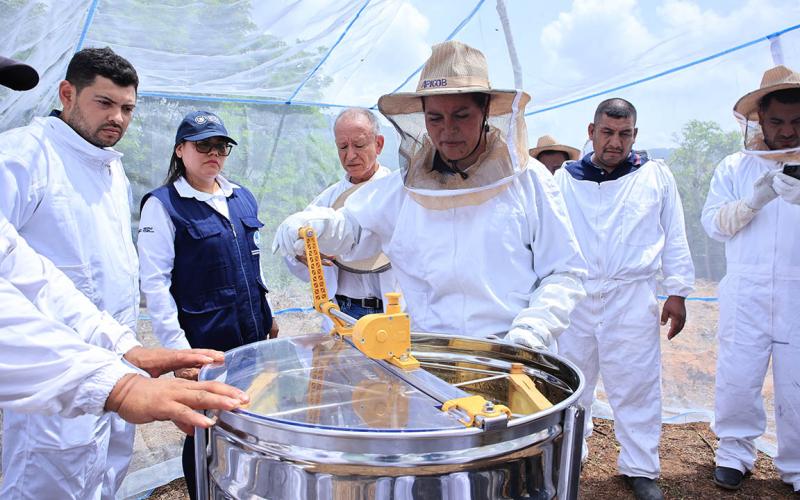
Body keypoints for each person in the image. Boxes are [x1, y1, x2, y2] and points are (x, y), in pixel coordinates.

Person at [273, 41, 587, 351]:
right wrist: (316, 225)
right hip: (427, 358)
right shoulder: (401, 190)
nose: (448, 129)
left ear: (486, 111)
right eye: (435, 118)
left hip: (511, 357)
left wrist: (532, 331)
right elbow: (351, 229)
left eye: (461, 115)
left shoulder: (529, 180)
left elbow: (564, 272)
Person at [0, 47, 143, 500]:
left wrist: (127, 346)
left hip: (116, 355)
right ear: (67, 94)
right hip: (53, 368)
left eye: (127, 108)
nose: (117, 118)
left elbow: (23, 263)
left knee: (106, 472)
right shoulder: (23, 155)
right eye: (104, 103)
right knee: (47, 479)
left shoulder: (111, 168)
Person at [554, 98, 695, 500]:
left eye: (624, 134)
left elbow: (674, 232)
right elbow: (548, 238)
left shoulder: (654, 176)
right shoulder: (565, 179)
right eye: (607, 132)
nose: (615, 142)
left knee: (636, 383)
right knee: (571, 381)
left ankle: (640, 467)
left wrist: (678, 291)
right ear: (591, 132)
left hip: (632, 295)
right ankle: (571, 454)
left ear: (635, 135)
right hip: (577, 295)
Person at [0, 215, 249, 434]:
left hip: (104, 367)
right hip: (50, 388)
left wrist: (123, 348)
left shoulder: (115, 178)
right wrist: (120, 388)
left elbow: (31, 276)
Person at [137, 110, 276, 499]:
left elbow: (251, 262)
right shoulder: (163, 206)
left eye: (221, 146)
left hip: (252, 340)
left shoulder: (241, 197)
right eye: (203, 145)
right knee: (203, 430)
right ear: (180, 150)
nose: (213, 153)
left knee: (251, 420)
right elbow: (155, 284)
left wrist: (267, 315)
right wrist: (179, 353)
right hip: (205, 347)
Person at [701, 65, 800, 493]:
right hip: (746, 290)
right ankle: (734, 453)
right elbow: (713, 225)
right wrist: (754, 200)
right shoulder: (735, 167)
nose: (787, 131)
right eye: (777, 121)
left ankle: (797, 465)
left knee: (798, 383)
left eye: (796, 121)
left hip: (799, 292)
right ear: (760, 119)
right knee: (738, 375)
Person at [283, 108, 396, 324]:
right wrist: (301, 254)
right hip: (343, 311)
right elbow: (292, 247)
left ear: (379, 144)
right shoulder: (328, 199)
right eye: (342, 147)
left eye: (359, 145)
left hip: (391, 311)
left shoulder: (398, 193)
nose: (350, 155)